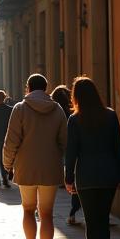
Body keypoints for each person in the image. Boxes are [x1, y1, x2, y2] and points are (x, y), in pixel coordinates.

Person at [2, 74, 68, 239]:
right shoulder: (57, 110)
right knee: (47, 214)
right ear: (46, 88)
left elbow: (11, 140)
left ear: (28, 87)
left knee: (28, 210)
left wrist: (7, 164)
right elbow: (65, 141)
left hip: (26, 166)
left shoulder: (20, 108)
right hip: (49, 167)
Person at [64, 77, 120, 239]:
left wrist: (68, 178)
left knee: (92, 222)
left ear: (76, 96)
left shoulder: (75, 119)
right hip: (108, 175)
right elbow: (118, 147)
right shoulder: (110, 115)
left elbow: (71, 152)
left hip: (86, 176)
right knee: (103, 221)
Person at [51, 84, 83, 226]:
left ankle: (65, 180)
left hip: (60, 147)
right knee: (74, 178)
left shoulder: (53, 110)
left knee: (68, 172)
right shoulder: (73, 112)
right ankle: (73, 211)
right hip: (73, 148)